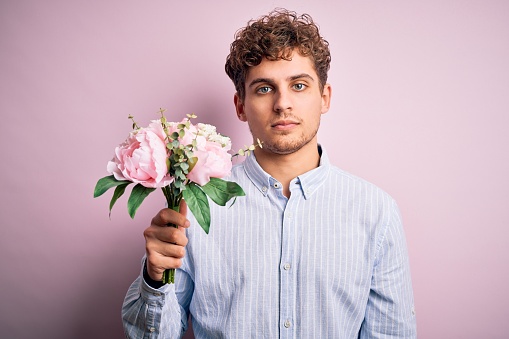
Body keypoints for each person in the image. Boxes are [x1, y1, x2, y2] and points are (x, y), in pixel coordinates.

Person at [122, 8, 417, 338]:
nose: (282, 104)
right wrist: (154, 277)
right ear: (240, 106)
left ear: (324, 98)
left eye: (299, 85)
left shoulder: (377, 212)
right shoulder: (194, 206)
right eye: (264, 88)